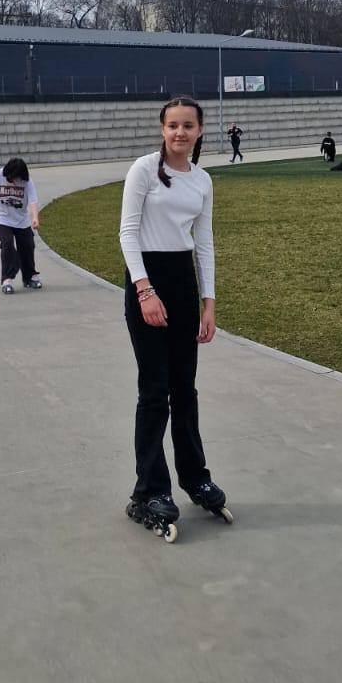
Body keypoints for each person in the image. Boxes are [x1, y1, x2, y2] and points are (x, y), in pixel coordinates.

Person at [119, 97, 229, 541]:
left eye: (188, 125)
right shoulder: (144, 170)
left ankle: (194, 477)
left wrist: (208, 302)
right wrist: (144, 290)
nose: (180, 132)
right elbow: (128, 233)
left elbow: (204, 243)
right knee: (154, 391)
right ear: (162, 130)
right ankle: (148, 490)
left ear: (199, 130)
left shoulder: (202, 180)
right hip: (147, 279)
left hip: (183, 283)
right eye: (172, 125)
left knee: (185, 389)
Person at [0, 156, 41, 294]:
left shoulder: (27, 181)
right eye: (12, 178)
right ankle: (7, 279)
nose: (15, 181)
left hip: (21, 219)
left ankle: (29, 277)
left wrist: (35, 218)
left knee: (28, 244)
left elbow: (33, 200)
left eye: (17, 178)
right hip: (1, 217)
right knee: (7, 243)